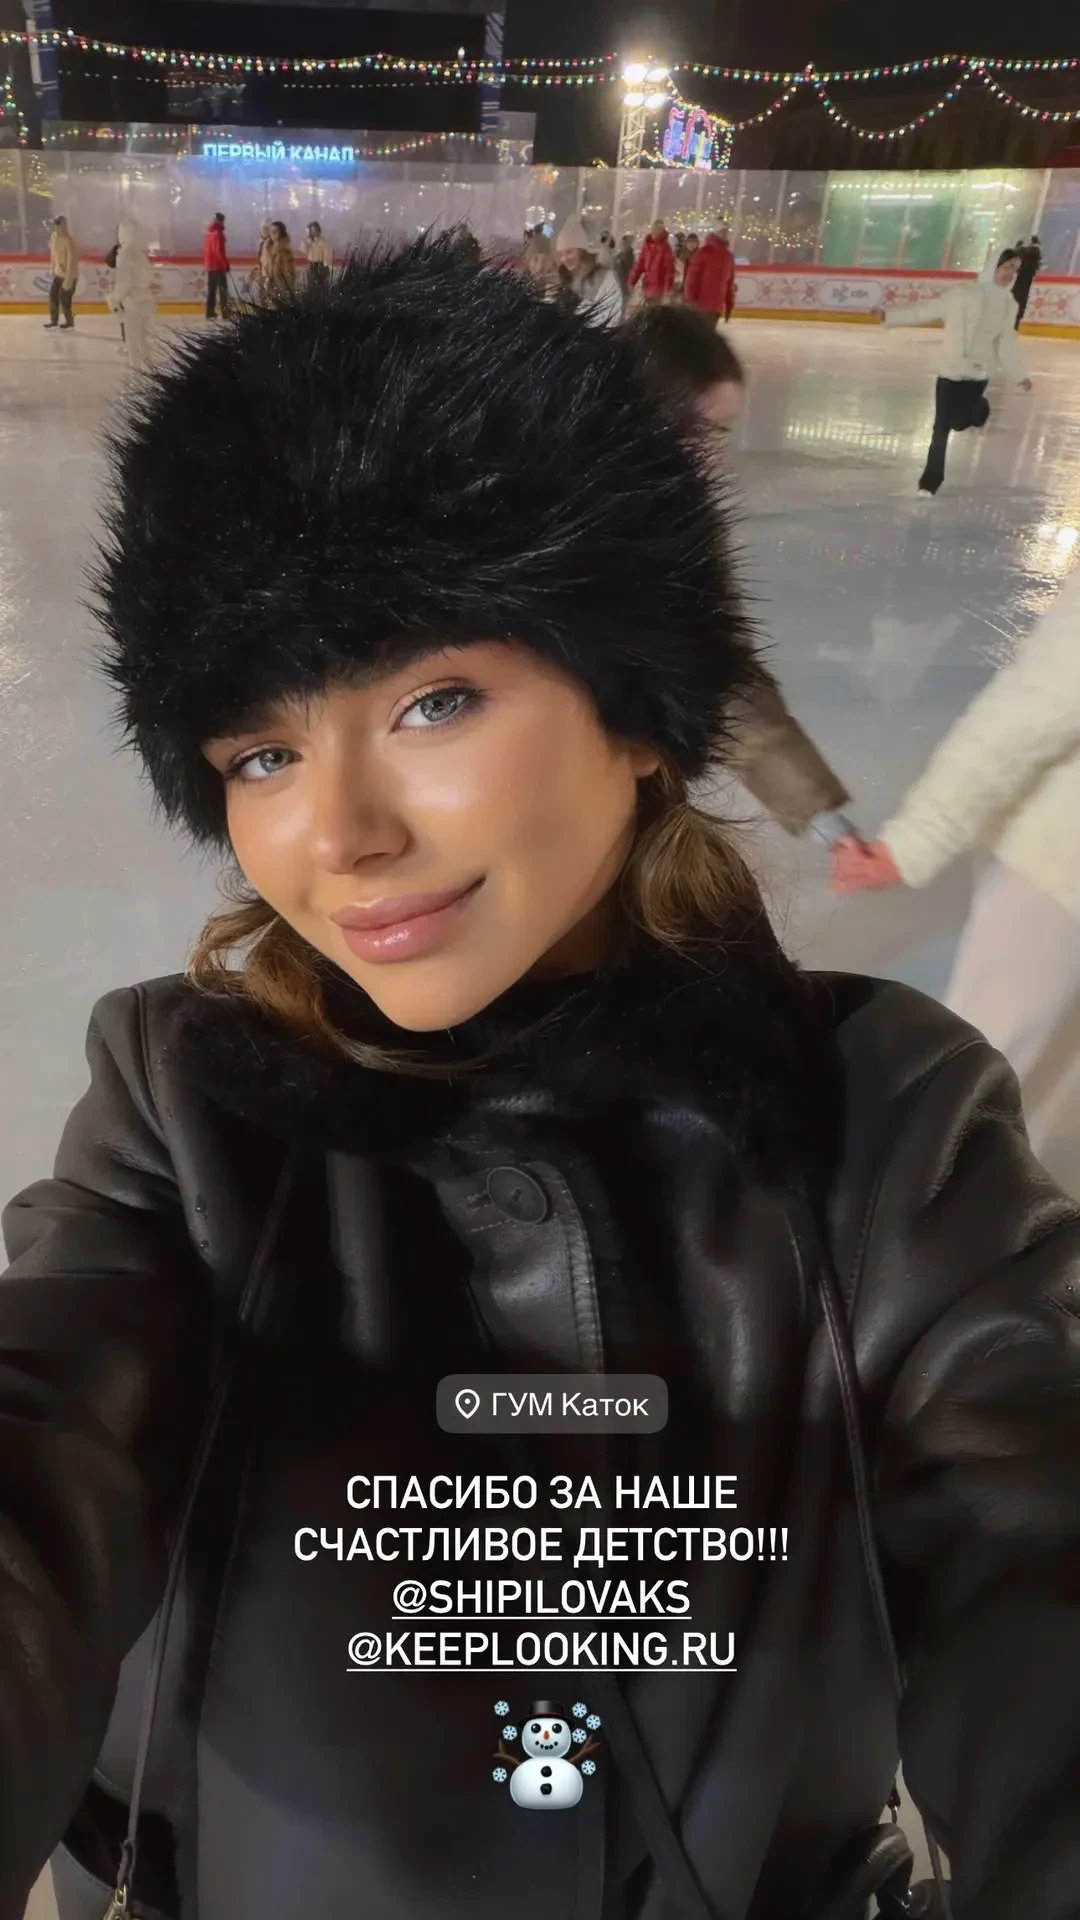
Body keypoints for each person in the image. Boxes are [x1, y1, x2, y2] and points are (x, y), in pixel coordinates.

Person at [3, 236, 1080, 1920]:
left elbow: (1035, 1547)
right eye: (263, 752)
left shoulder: (885, 1122)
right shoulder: (184, 1108)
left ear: (641, 714)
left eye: (435, 700)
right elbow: (45, 1440)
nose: (339, 832)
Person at [831, 563, 1080, 1162]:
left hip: (1056, 874)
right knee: (987, 1077)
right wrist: (918, 839)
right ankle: (909, 1199)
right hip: (1054, 877)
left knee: (1041, 1082)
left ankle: (994, 1202)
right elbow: (1035, 707)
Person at [627, 304, 857, 845]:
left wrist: (818, 814)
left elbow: (718, 670)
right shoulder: (523, 506)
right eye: (699, 433)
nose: (713, 459)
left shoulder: (681, 521)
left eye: (721, 434)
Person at [884, 248, 1032, 496]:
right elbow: (926, 310)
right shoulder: (963, 293)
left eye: (1014, 270)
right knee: (941, 427)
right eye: (1006, 267)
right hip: (950, 369)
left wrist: (1019, 374)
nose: (1009, 274)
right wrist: (889, 316)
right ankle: (930, 482)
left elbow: (1005, 342)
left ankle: (980, 408)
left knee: (960, 422)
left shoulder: (1009, 304)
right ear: (993, 267)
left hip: (978, 373)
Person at [553, 216, 623, 325]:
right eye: (561, 254)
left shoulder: (604, 277)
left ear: (581, 251)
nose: (565, 258)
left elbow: (612, 315)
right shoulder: (562, 279)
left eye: (569, 252)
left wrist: (579, 310)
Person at [108, 218, 156, 372]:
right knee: (143, 338)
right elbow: (150, 276)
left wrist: (114, 299)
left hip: (132, 302)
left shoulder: (124, 255)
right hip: (146, 300)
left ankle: (136, 369)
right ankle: (149, 365)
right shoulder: (140, 254)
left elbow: (124, 283)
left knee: (133, 340)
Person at [684, 227, 736, 324]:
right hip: (700, 306)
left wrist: (729, 305)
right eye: (721, 231)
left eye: (726, 232)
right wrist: (690, 300)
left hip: (714, 308)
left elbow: (729, 285)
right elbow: (692, 279)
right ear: (715, 233)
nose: (724, 234)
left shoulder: (728, 257)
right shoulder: (703, 252)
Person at [627, 217, 675, 304]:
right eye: (654, 229)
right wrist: (632, 281)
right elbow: (639, 265)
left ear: (662, 232)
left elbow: (669, 271)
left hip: (659, 289)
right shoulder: (647, 246)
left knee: (654, 309)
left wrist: (668, 289)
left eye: (658, 230)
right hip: (647, 287)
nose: (655, 232)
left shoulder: (666, 248)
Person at [44, 214, 78, 330]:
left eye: (60, 225)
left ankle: (69, 322)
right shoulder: (54, 237)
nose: (58, 227)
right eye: (56, 225)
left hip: (69, 275)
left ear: (64, 226)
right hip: (58, 273)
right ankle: (54, 321)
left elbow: (71, 261)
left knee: (64, 299)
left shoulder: (68, 241)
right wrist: (52, 267)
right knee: (53, 295)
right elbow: (53, 254)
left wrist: (69, 278)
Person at [203, 211, 231, 320]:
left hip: (210, 266)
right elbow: (219, 251)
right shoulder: (218, 233)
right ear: (221, 221)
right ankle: (225, 312)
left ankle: (209, 311)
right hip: (218, 266)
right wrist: (225, 264)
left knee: (212, 290)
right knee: (223, 289)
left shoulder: (208, 232)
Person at [1012, 233, 1042, 328]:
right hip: (1024, 284)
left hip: (1019, 282)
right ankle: (1015, 324)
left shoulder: (1024, 254)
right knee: (1020, 303)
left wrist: (1019, 244)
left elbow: (1016, 252)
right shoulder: (1033, 254)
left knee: (1016, 301)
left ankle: (1013, 323)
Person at [265, 220, 297, 296]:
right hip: (271, 283)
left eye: (275, 231)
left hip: (282, 285)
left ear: (281, 232)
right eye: (271, 231)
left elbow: (289, 271)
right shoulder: (268, 246)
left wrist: (287, 288)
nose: (272, 233)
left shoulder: (285, 249)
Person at [304, 220, 333, 292]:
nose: (314, 232)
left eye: (315, 230)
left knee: (322, 283)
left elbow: (327, 252)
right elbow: (304, 250)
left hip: (321, 264)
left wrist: (325, 263)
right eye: (312, 230)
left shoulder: (323, 241)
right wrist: (307, 239)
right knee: (311, 283)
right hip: (312, 264)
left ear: (319, 230)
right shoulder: (308, 241)